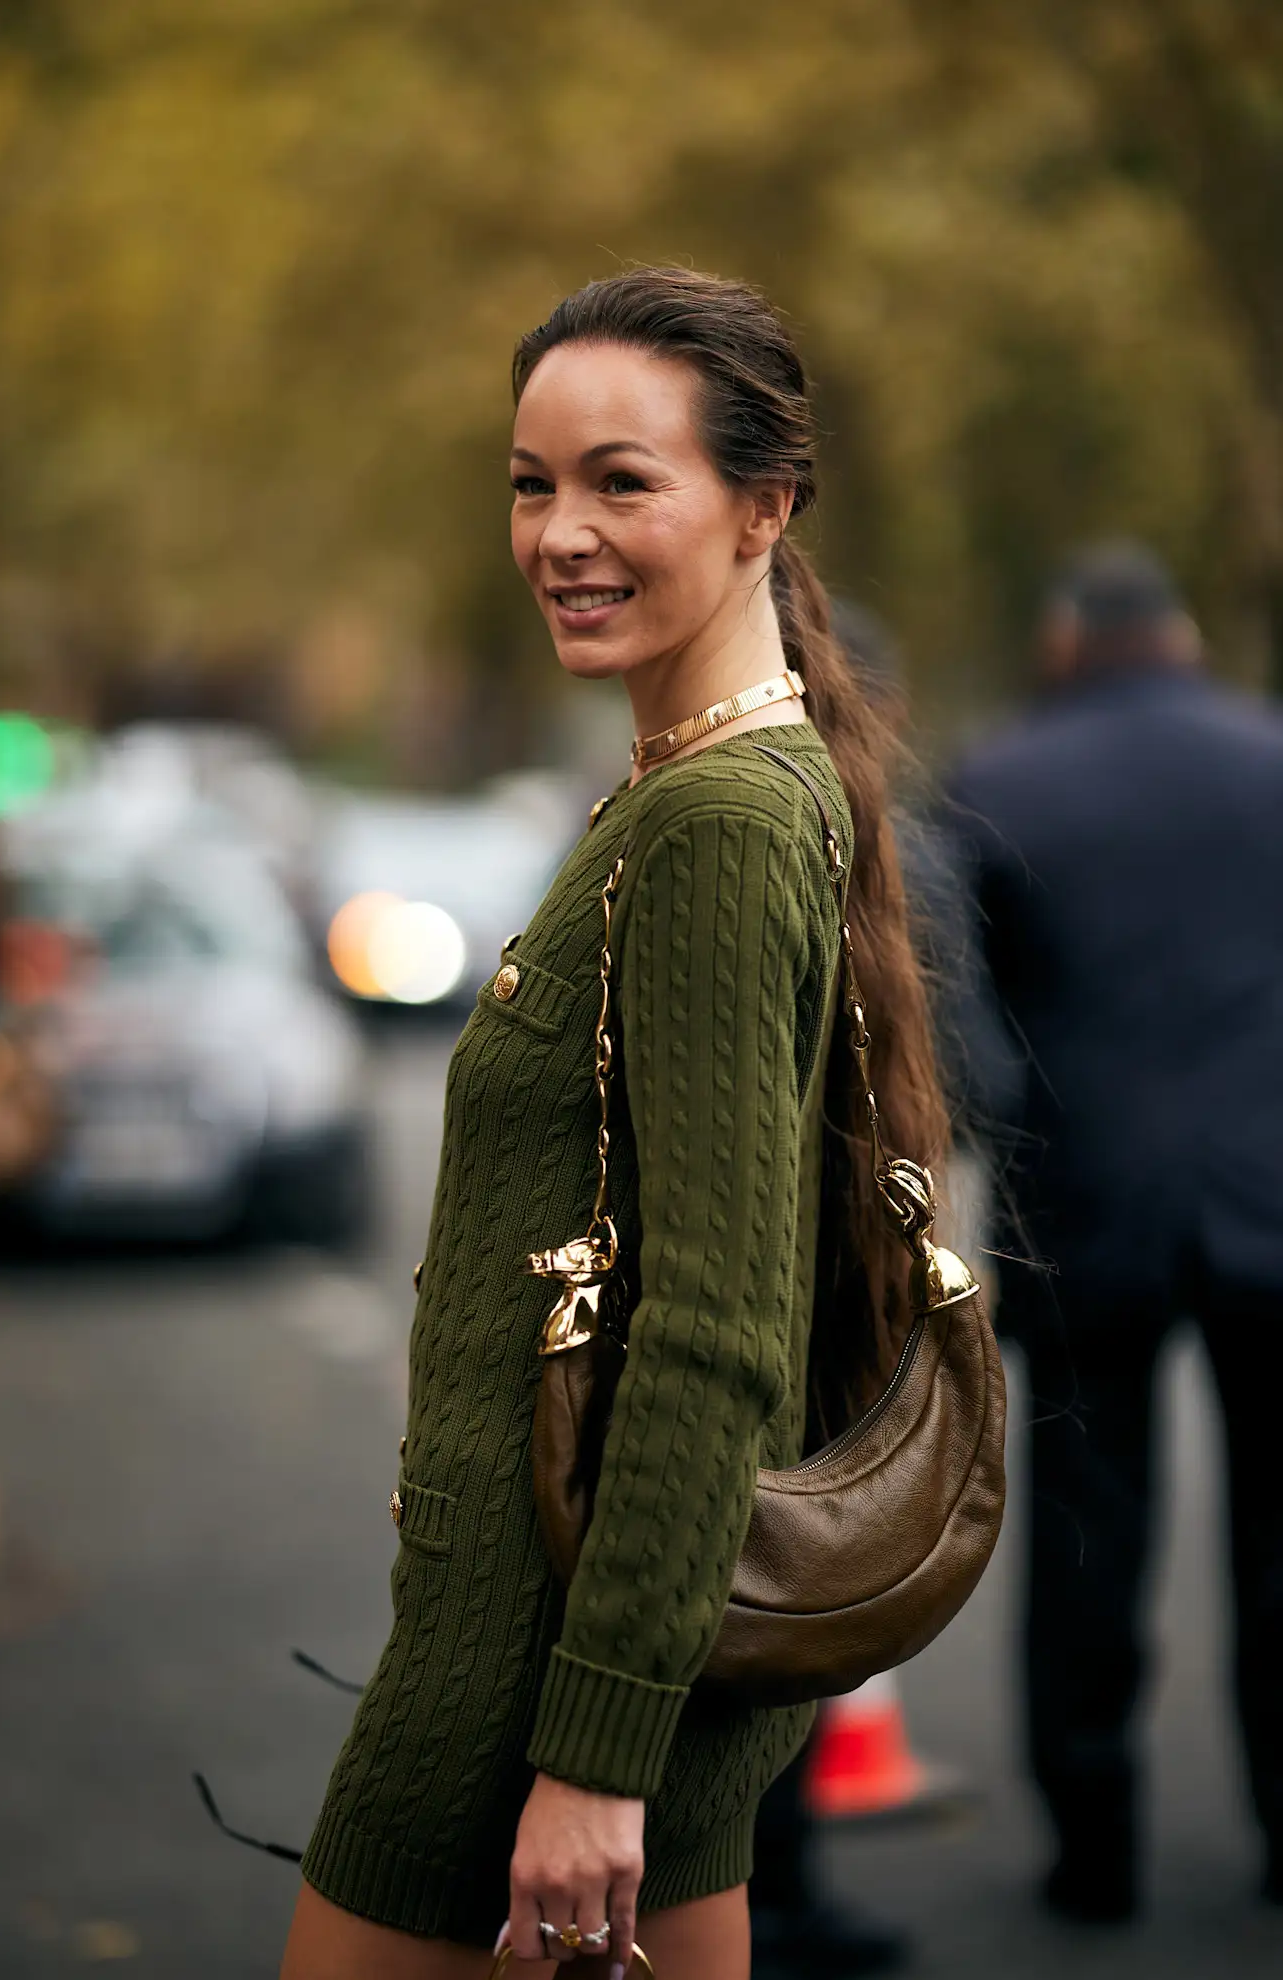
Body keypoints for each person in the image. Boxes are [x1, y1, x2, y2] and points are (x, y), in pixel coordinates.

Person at [280, 267, 946, 1980]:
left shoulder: (721, 819)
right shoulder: (695, 785)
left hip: (534, 1701)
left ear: (763, 509)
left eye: (620, 480)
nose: (560, 532)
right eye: (531, 483)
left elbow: (719, 1333)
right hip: (564, 1671)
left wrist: (591, 1754)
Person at [946, 543, 1283, 1924]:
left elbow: (960, 1017)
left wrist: (1006, 1134)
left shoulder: (999, 781)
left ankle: (1095, 1850)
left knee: (1088, 1544)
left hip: (1080, 1208)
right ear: (1188, 636)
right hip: (1277, 1205)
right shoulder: (1273, 762)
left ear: (1064, 640)